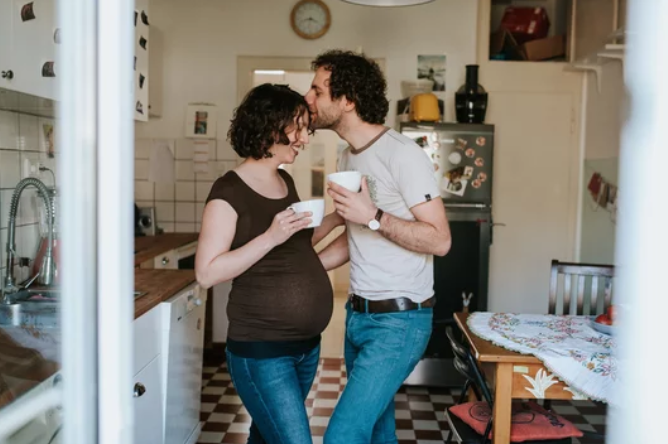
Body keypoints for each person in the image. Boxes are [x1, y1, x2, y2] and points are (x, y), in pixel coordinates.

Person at [305, 50, 452, 444]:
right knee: (376, 432)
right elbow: (359, 242)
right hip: (358, 317)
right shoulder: (347, 155)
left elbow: (440, 240)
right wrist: (303, 268)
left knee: (343, 435)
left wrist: (373, 215)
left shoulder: (402, 154)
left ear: (347, 100)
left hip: (399, 323)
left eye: (317, 90)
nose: (308, 98)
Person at [195, 83, 343, 444]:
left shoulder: (284, 181)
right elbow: (207, 272)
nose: (305, 138)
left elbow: (293, 247)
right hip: (262, 349)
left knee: (266, 436)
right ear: (269, 125)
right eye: (298, 127)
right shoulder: (228, 191)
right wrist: (269, 236)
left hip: (306, 347)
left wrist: (337, 219)